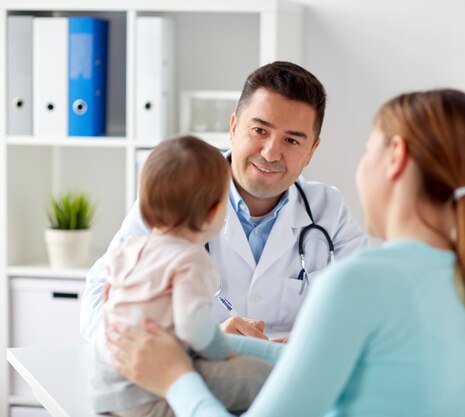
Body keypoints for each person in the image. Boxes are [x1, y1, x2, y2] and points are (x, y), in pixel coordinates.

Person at [107, 89, 465, 416]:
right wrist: (216, 342)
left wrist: (175, 378)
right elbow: (353, 373)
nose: (270, 153)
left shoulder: (358, 281)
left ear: (395, 157)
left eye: (367, 149)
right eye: (260, 131)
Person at [80, 61, 369, 343]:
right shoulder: (176, 190)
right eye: (259, 131)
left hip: (291, 379)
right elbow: (99, 304)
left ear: (311, 151)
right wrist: (200, 344)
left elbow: (371, 306)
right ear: (233, 127)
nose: (270, 153)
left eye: (292, 141)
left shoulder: (327, 209)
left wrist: (314, 343)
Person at [91, 136, 273, 417]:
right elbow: (194, 329)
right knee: (261, 377)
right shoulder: (190, 259)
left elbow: (109, 303)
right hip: (150, 392)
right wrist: (225, 355)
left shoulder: (128, 250)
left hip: (107, 389)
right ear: (214, 212)